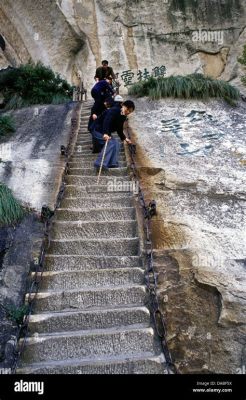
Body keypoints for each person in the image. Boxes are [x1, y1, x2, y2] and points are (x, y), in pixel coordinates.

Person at [93, 100, 135, 170]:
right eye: (128, 110)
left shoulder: (123, 116)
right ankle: (100, 163)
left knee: (116, 143)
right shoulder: (114, 110)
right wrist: (105, 133)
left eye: (130, 112)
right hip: (98, 130)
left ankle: (113, 163)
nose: (128, 112)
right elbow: (107, 120)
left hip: (105, 132)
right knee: (111, 143)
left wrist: (125, 138)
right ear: (124, 106)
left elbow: (119, 129)